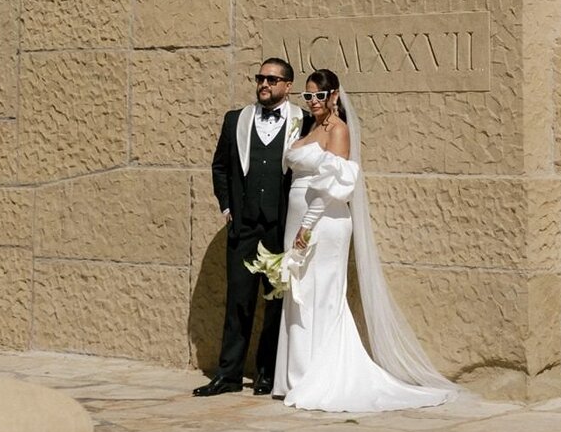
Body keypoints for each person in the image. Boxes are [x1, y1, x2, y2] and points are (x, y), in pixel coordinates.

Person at [274, 68, 456, 413]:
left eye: (319, 95)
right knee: (299, 290)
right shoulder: (312, 127)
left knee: (320, 293)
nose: (313, 102)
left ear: (334, 96)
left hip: (323, 223)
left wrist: (307, 226)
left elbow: (333, 185)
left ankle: (316, 375)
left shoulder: (339, 131)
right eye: (308, 96)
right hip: (298, 219)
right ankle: (295, 375)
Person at [194, 58, 303, 397]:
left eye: (272, 79)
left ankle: (267, 375)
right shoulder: (235, 120)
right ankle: (228, 375)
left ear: (287, 85)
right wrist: (228, 207)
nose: (264, 84)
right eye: (260, 78)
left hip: (278, 229)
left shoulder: (304, 119)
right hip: (244, 229)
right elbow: (220, 167)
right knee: (238, 301)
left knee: (275, 303)